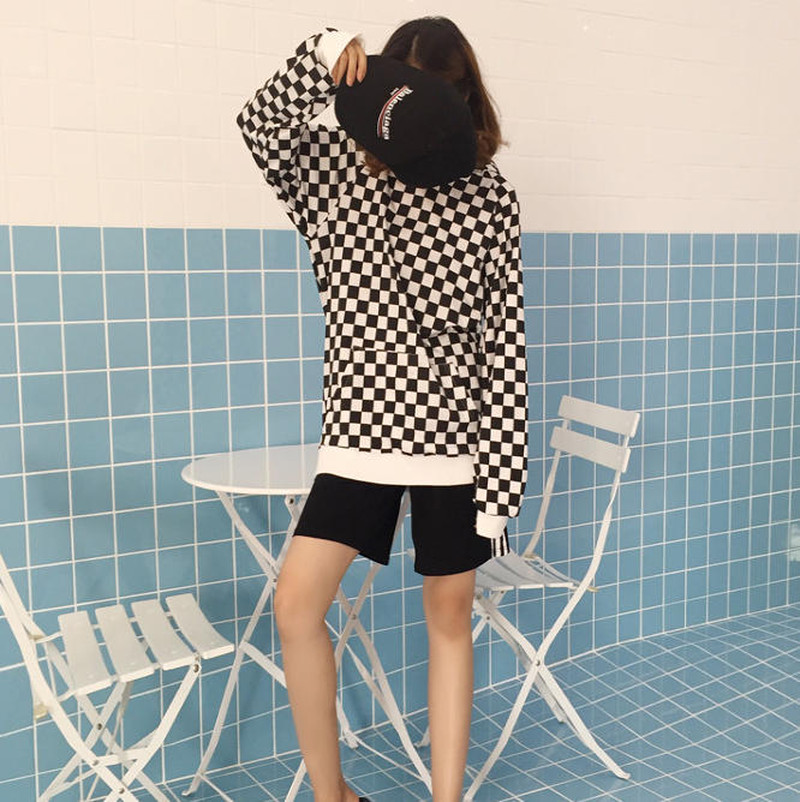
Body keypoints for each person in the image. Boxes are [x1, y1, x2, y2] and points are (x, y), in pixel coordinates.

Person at [235, 16, 528, 802]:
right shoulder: (333, 173)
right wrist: (322, 54)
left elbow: (503, 346)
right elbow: (258, 125)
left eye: (447, 95)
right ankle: (333, 795)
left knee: (450, 617)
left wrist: (500, 489)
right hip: (359, 436)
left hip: (455, 445)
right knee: (297, 606)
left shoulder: (489, 196)